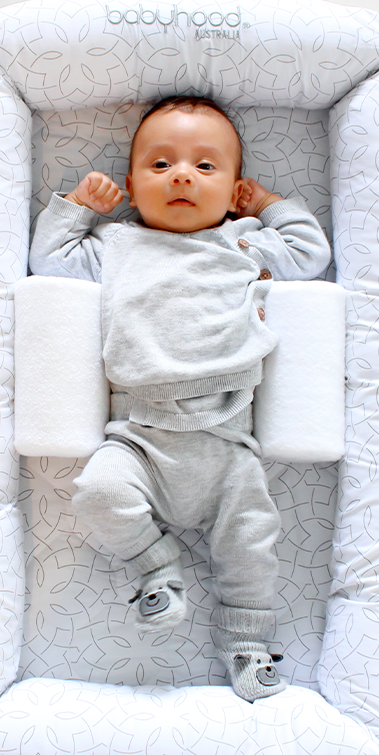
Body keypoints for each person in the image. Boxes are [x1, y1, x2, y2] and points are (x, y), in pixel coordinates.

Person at [29, 96, 331, 701]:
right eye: (161, 165)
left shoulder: (245, 244)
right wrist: (77, 209)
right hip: (140, 435)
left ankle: (248, 641)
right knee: (98, 494)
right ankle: (154, 568)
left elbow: (309, 252)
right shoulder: (116, 246)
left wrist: (267, 204)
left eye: (206, 167)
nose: (183, 176)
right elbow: (51, 259)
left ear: (234, 189)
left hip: (226, 442)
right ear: (132, 187)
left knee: (252, 543)